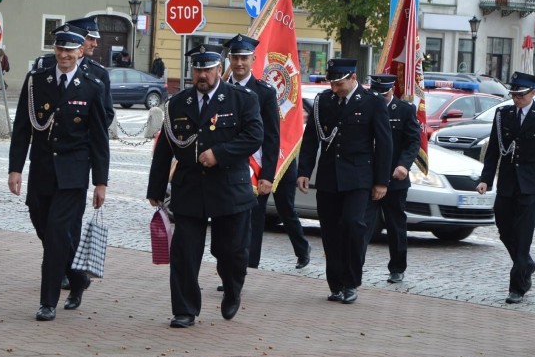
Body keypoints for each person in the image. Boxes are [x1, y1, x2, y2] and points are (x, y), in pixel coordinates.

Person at [146, 44, 263, 328]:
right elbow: (165, 149)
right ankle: (185, 309)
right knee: (184, 253)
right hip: (190, 188)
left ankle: (233, 288)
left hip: (229, 188)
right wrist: (156, 189)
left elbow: (254, 136)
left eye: (208, 69)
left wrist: (219, 154)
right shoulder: (177, 103)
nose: (202, 74)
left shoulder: (241, 99)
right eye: (198, 69)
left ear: (219, 70)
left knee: (232, 252)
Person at [8, 23, 110, 322]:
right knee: (42, 223)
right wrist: (15, 169)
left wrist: (100, 182)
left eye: (70, 50)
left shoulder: (92, 85)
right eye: (59, 49)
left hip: (73, 174)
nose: (64, 55)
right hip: (42, 170)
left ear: (81, 51)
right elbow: (22, 129)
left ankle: (48, 302)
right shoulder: (36, 81)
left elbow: (100, 138)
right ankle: (78, 278)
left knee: (56, 235)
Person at [296, 58, 392, 304]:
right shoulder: (323, 101)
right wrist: (304, 170)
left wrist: (382, 181)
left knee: (353, 226)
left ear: (352, 78)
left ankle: (351, 282)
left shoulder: (373, 103)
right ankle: (336, 284)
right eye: (332, 83)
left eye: (339, 83)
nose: (334, 88)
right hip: (329, 177)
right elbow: (311, 139)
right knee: (330, 231)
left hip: (359, 177)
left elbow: (383, 144)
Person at [223, 34, 311, 274]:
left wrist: (268, 175)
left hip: (262, 166)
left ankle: (247, 269)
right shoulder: (221, 89)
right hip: (231, 165)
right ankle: (230, 268)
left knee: (267, 214)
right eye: (235, 57)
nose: (239, 63)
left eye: (244, 58)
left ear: (253, 59)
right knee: (230, 220)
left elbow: (272, 136)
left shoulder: (264, 93)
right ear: (229, 59)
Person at [476, 72, 535, 304]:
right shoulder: (503, 114)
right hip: (507, 182)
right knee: (503, 227)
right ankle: (526, 263)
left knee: (523, 235)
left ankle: (517, 287)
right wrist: (486, 178)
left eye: (521, 95)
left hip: (529, 184)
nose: (516, 99)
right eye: (513, 95)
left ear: (532, 93)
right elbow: (493, 148)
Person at [363, 74, 421, 284]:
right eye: (376, 93)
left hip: (395, 178)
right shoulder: (367, 106)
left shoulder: (404, 110)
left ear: (392, 90)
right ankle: (356, 265)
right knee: (363, 223)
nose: (380, 97)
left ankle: (397, 267)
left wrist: (404, 165)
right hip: (369, 176)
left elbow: (413, 141)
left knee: (396, 224)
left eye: (384, 93)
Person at [66, 17, 115, 127]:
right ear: (75, 37)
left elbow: (107, 114)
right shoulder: (46, 65)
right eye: (90, 38)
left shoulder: (99, 73)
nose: (95, 44)